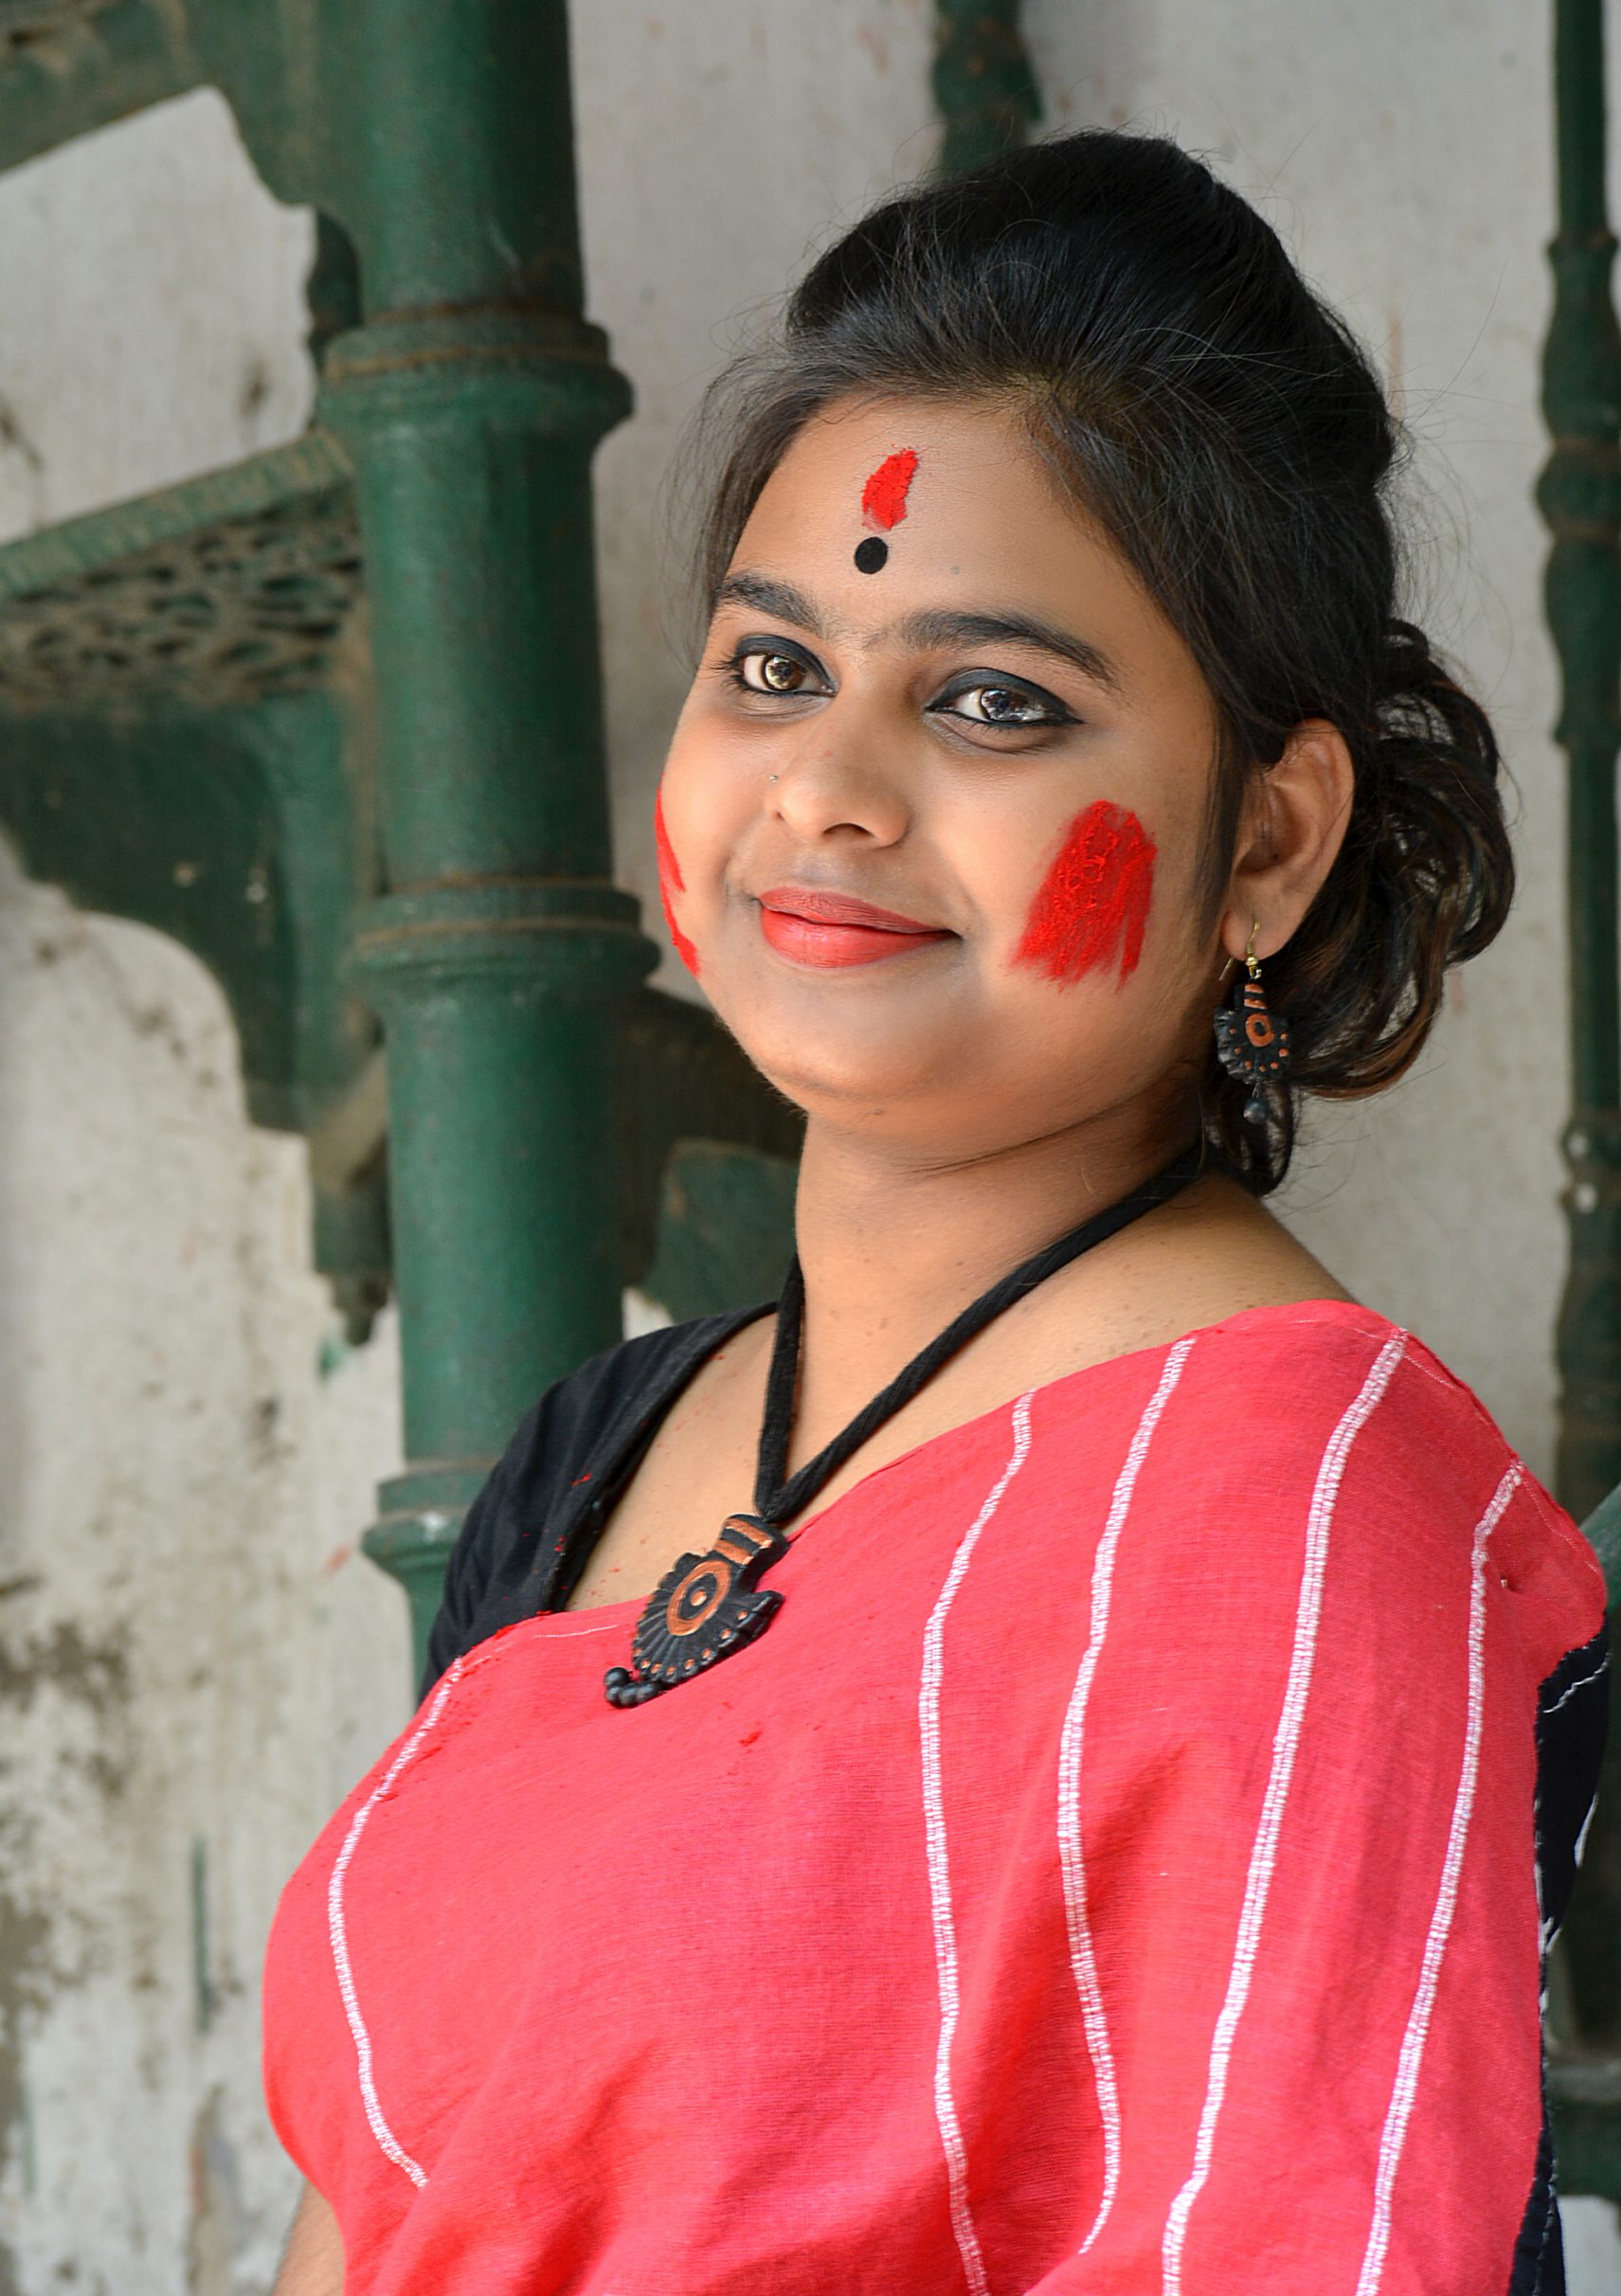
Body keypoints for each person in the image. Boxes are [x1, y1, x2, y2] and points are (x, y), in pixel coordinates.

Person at [262, 130, 1608, 2296]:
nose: (829, 786)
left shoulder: (1297, 1504)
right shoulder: (594, 1452)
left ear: (1265, 843)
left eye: (992, 702)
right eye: (773, 667)